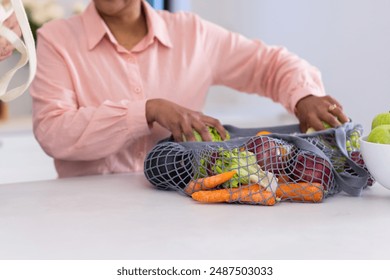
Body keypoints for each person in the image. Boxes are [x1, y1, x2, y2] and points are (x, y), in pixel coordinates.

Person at [30, 0, 349, 178]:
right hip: (84, 218)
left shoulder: (193, 34)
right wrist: (148, 110)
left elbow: (271, 65)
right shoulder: (56, 39)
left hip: (183, 214)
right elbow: (54, 132)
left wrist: (304, 96)